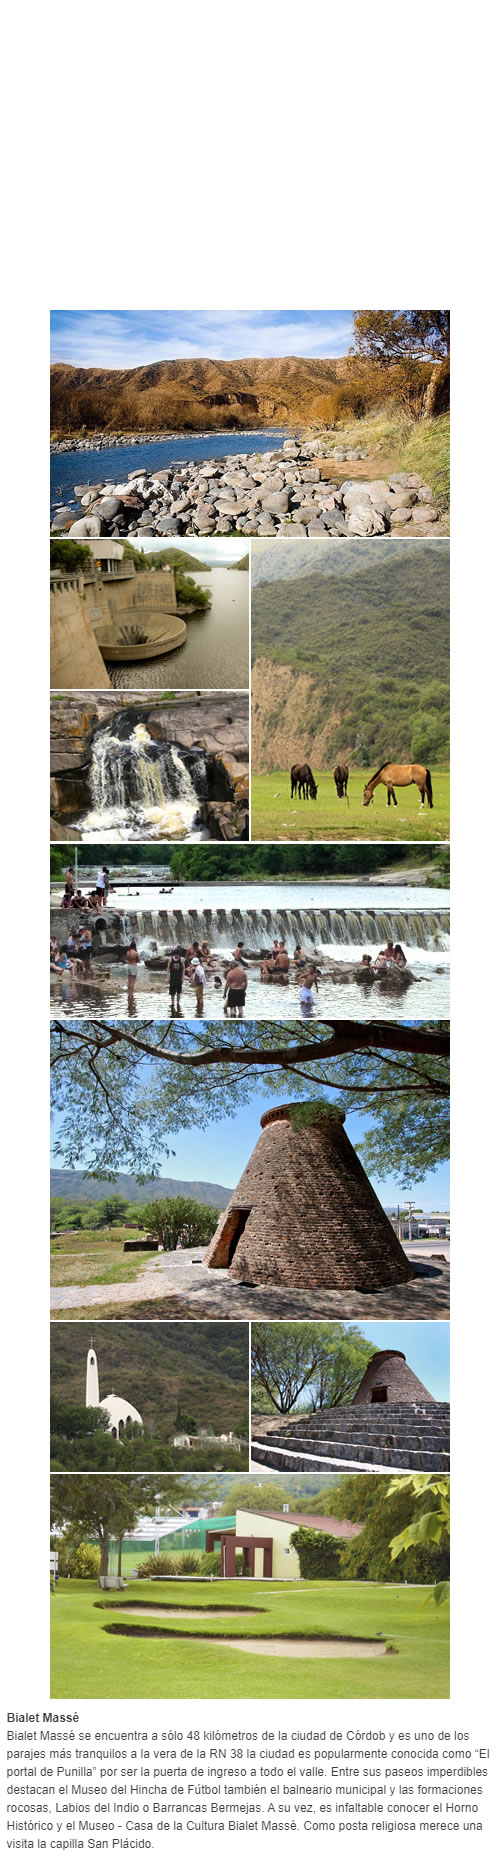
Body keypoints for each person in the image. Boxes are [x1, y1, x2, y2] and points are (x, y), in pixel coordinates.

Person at [168, 950, 184, 1015]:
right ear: (174, 955)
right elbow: (168, 968)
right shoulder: (171, 959)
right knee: (172, 992)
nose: (176, 956)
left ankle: (178, 1003)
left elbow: (183, 968)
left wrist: (183, 977)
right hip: (172, 977)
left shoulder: (181, 960)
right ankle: (172, 1003)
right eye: (175, 955)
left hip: (179, 977)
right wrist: (168, 976)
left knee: (179, 991)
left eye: (177, 955)